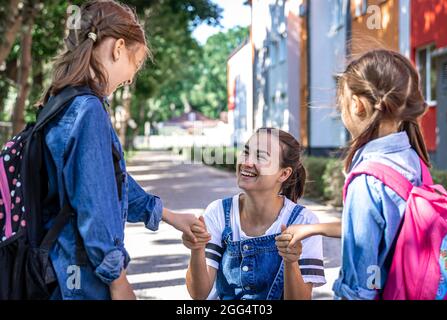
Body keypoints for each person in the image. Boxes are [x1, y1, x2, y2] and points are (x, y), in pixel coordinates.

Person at [40, 0, 199, 300]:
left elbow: (109, 181)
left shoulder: (60, 101)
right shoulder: (88, 110)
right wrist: (118, 279)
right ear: (118, 48)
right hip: (81, 279)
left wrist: (167, 214)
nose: (129, 78)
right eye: (135, 65)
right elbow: (94, 206)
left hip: (59, 271)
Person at [282, 49, 447, 300]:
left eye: (342, 104)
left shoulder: (367, 181)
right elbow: (388, 229)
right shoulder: (413, 159)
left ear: (357, 105)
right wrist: (314, 228)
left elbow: (360, 287)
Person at [183, 128, 326, 300]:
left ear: (284, 173)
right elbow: (198, 294)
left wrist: (291, 261)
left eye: (261, 157)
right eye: (246, 152)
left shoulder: (304, 222)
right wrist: (197, 249)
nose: (247, 162)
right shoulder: (218, 212)